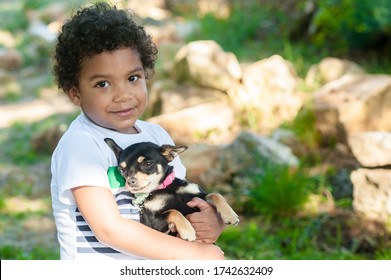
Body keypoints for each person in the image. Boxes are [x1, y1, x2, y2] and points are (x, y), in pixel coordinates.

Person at [50, 2, 225, 260]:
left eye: (133, 78)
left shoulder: (156, 136)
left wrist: (210, 220)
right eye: (102, 84)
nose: (123, 96)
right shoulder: (81, 146)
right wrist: (188, 256)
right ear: (75, 93)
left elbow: (178, 200)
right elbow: (110, 230)